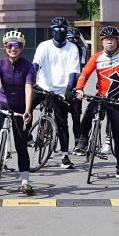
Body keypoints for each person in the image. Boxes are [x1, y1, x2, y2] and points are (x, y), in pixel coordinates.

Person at [74, 25, 119, 180]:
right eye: (107, 40)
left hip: (116, 99)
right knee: (87, 116)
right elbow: (85, 73)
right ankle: (83, 141)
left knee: (118, 136)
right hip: (101, 96)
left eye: (112, 40)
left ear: (117, 41)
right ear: (102, 42)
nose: (110, 43)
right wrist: (79, 88)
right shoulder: (97, 57)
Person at [0, 30, 35, 195]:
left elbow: (29, 89)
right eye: (9, 45)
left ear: (22, 48)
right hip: (3, 102)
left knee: (21, 145)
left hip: (21, 106)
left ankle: (25, 181)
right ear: (5, 47)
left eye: (17, 45)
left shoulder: (28, 66)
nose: (13, 48)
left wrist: (28, 110)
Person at [33, 16, 80, 169]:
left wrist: (69, 88)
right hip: (43, 86)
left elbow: (73, 71)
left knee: (62, 123)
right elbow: (36, 64)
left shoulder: (72, 48)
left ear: (66, 31)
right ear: (51, 31)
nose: (59, 32)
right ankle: (25, 136)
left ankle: (65, 155)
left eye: (62, 30)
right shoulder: (44, 46)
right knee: (23, 108)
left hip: (61, 90)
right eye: (56, 30)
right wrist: (30, 80)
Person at [66, 27, 86, 155]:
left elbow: (82, 68)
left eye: (75, 39)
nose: (72, 41)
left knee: (75, 115)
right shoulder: (61, 48)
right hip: (59, 83)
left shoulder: (82, 49)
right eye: (70, 39)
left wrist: (78, 87)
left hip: (74, 83)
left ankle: (78, 142)